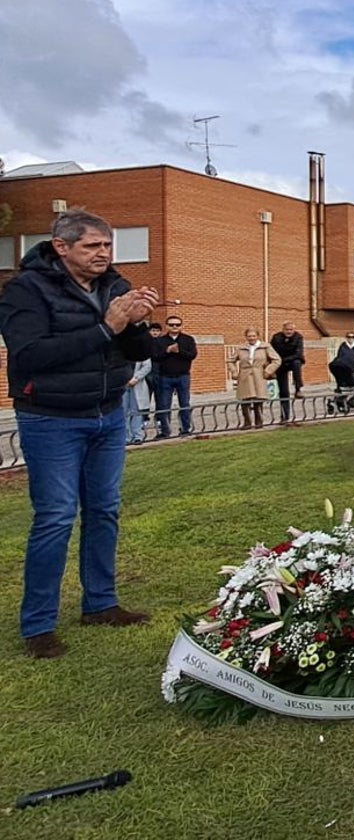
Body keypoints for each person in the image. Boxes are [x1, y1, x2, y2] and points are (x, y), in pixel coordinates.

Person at [0, 209, 159, 658]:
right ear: (60, 246)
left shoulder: (116, 285)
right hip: (51, 418)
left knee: (104, 510)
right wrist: (106, 326)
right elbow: (31, 355)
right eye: (92, 246)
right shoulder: (26, 291)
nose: (103, 254)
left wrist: (137, 322)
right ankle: (37, 625)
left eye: (107, 246)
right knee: (54, 517)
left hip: (107, 415)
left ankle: (101, 603)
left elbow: (138, 351)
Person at [153, 315, 197, 437]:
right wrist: (167, 351)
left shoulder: (188, 339)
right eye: (172, 325)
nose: (174, 327)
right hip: (165, 376)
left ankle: (185, 428)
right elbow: (155, 357)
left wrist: (179, 351)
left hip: (183, 375)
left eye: (177, 325)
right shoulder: (160, 341)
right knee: (164, 404)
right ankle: (165, 431)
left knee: (184, 403)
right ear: (167, 326)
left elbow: (192, 355)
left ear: (181, 326)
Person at [228, 327, 281, 429]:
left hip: (259, 375)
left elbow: (277, 360)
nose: (251, 338)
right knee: (244, 400)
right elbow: (230, 360)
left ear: (257, 336)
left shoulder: (265, 347)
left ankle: (258, 421)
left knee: (258, 399)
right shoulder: (241, 348)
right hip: (245, 375)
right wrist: (234, 371)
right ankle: (247, 422)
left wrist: (268, 371)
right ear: (246, 337)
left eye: (253, 336)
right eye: (249, 336)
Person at [270, 320, 305, 424]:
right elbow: (271, 351)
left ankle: (298, 388)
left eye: (291, 330)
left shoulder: (298, 337)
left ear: (294, 330)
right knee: (283, 391)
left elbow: (298, 354)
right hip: (280, 364)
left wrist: (284, 360)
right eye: (287, 330)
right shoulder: (276, 337)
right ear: (283, 330)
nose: (289, 332)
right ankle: (285, 416)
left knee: (297, 363)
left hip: (292, 361)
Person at [123, 357, 152, 444]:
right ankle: (127, 437)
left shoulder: (141, 351)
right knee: (124, 412)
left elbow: (147, 366)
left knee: (136, 411)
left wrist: (136, 377)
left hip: (137, 384)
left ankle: (138, 436)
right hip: (122, 385)